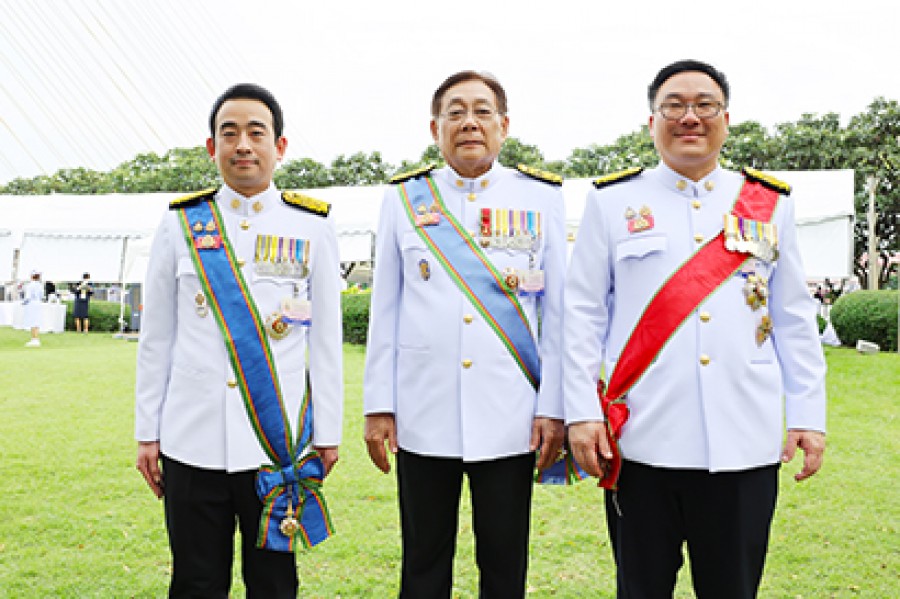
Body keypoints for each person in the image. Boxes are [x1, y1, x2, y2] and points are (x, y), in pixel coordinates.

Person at [564, 59, 827, 598]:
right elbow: (582, 314)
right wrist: (582, 413)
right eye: (674, 106)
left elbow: (795, 317)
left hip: (743, 442)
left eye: (704, 105)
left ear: (726, 119)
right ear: (651, 120)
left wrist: (807, 414)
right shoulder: (612, 203)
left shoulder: (768, 204)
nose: (690, 117)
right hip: (642, 444)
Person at [134, 83, 343, 598]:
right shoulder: (180, 224)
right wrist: (147, 432)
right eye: (230, 133)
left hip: (273, 445)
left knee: (273, 582)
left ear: (280, 146)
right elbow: (156, 337)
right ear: (212, 148)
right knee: (195, 580)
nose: (243, 144)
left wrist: (329, 432)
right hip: (191, 438)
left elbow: (327, 341)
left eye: (257, 132)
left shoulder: (312, 225)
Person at [363, 70, 567, 597]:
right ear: (435, 128)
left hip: (511, 415)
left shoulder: (541, 197)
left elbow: (560, 314)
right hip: (422, 413)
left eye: (481, 112)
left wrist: (554, 406)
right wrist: (378, 405)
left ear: (503, 126)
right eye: (456, 112)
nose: (469, 123)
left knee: (504, 563)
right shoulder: (404, 200)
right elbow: (384, 310)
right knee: (424, 562)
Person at [23, 270, 43, 347]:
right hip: (38, 303)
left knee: (32, 321)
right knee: (36, 321)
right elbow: (41, 296)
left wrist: (23, 303)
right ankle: (36, 338)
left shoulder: (30, 285)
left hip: (32, 304)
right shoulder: (40, 285)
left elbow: (28, 297)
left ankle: (34, 339)